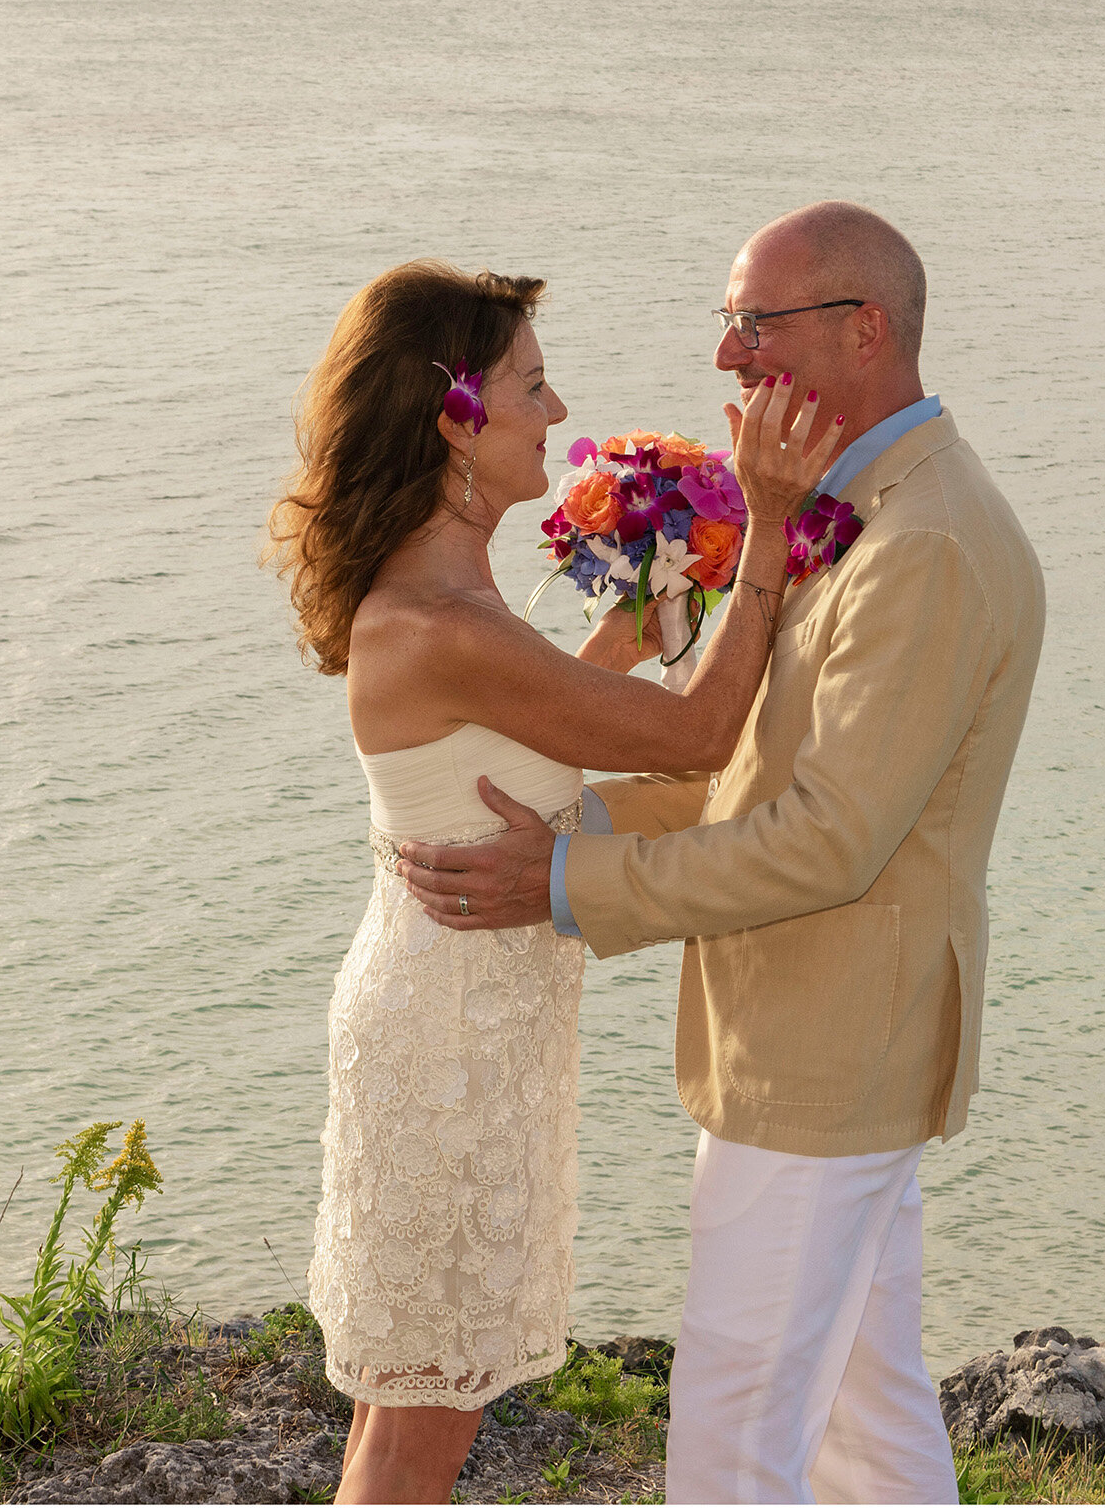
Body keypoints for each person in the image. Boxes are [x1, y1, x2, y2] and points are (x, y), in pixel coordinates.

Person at [394, 202, 1047, 1504]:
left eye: (754, 327)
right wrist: (566, 830)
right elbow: (747, 778)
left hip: (824, 1059)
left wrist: (569, 883)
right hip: (834, 1046)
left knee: (730, 1451)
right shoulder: (855, 510)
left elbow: (827, 843)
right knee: (874, 1431)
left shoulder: (921, 546)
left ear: (864, 331)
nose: (728, 363)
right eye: (726, 326)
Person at [267, 260, 837, 1503]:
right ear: (455, 415)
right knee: (424, 1422)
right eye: (530, 383)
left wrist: (624, 634)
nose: (559, 409)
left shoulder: (448, 598)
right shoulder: (443, 620)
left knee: (408, 1405)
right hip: (451, 1036)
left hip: (461, 1014)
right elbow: (691, 741)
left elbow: (522, 741)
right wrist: (766, 533)